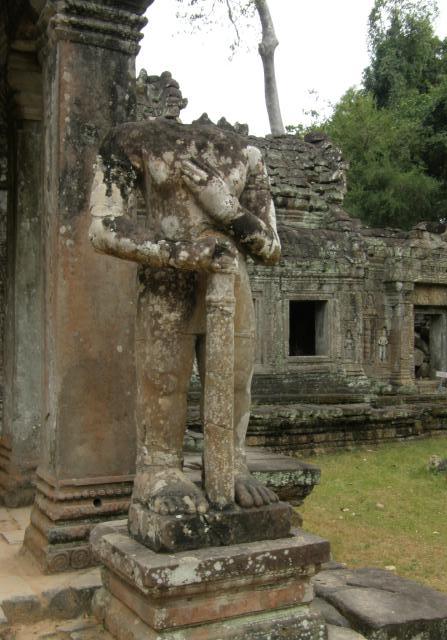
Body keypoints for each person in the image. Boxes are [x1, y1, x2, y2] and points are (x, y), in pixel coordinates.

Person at [89, 115, 280, 516]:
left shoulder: (248, 154)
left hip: (231, 282)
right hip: (167, 283)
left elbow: (271, 246)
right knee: (164, 383)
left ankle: (230, 464)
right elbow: (103, 227)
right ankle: (158, 469)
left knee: (234, 384)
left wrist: (226, 209)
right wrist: (182, 254)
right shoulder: (136, 138)